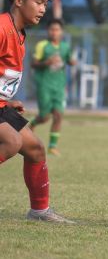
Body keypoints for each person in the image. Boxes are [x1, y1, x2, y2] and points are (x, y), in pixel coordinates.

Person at [0, 0, 73, 223]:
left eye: (45, 4)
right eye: (39, 2)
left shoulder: (19, 33)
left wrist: (7, 100)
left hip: (2, 106)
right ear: (19, 0)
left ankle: (39, 212)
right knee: (11, 142)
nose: (43, 9)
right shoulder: (2, 28)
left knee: (35, 149)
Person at [29, 18, 76, 156]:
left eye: (57, 30)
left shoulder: (65, 47)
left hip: (59, 86)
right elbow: (33, 64)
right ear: (48, 31)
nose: (54, 32)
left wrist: (72, 61)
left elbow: (70, 60)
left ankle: (52, 146)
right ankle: (33, 123)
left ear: (61, 32)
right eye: (52, 29)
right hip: (44, 85)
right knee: (44, 117)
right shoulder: (42, 45)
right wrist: (46, 62)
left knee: (58, 115)